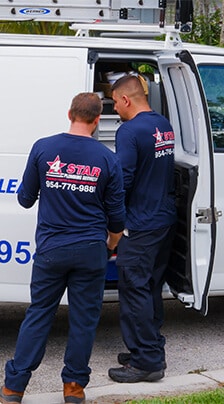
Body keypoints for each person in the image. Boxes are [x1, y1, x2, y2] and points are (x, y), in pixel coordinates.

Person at [0, 93, 125, 404]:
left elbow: (25, 198)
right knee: (83, 320)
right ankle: (74, 388)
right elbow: (117, 220)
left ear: (70, 113)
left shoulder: (44, 147)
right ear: (97, 121)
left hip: (51, 250)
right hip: (91, 250)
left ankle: (14, 388)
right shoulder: (108, 159)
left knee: (39, 313)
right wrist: (109, 246)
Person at [109, 75, 176, 384]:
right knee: (150, 289)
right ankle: (149, 348)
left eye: (114, 102)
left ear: (125, 100)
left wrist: (114, 225)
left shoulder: (129, 131)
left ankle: (146, 363)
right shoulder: (162, 124)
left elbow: (122, 181)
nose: (114, 108)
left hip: (140, 223)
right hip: (162, 218)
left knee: (134, 291)